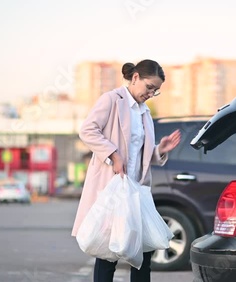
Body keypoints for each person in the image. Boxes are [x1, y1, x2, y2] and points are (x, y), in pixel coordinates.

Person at [71, 59, 181, 282]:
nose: (151, 93)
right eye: (149, 87)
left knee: (143, 251)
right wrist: (113, 154)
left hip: (137, 191)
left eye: (156, 91)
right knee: (108, 252)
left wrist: (160, 148)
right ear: (135, 78)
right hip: (112, 189)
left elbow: (141, 153)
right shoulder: (112, 100)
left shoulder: (144, 112)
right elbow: (88, 130)